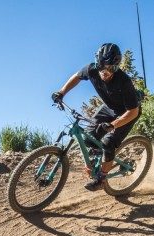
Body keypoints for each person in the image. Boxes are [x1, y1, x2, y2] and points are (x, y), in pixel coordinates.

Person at [52, 43, 141, 191]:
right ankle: (98, 158)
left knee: (108, 143)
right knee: (89, 137)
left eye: (112, 68)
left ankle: (101, 178)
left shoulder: (124, 81)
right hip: (108, 108)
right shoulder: (91, 69)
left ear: (117, 66)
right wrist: (61, 92)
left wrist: (113, 125)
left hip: (126, 113)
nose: (107, 72)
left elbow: (134, 112)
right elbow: (76, 76)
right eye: (103, 67)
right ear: (97, 62)